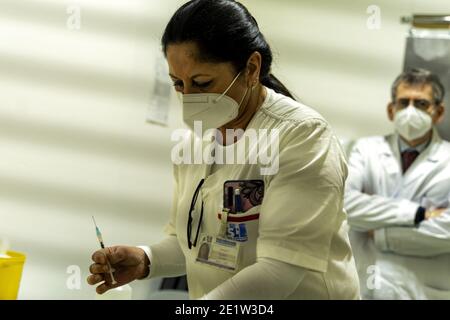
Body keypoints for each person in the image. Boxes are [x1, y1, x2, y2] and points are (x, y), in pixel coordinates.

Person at [87, 0, 359, 300]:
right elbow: (193, 242)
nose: (189, 98)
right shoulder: (196, 140)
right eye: (178, 84)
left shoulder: (301, 136)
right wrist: (146, 259)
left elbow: (281, 268)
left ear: (251, 69)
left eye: (202, 83)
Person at [345, 68, 450, 299]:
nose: (410, 111)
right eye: (404, 103)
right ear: (391, 110)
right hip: (365, 283)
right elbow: (345, 206)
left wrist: (381, 233)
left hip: (423, 289)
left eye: (421, 104)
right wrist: (419, 213)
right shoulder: (365, 149)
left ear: (438, 111)